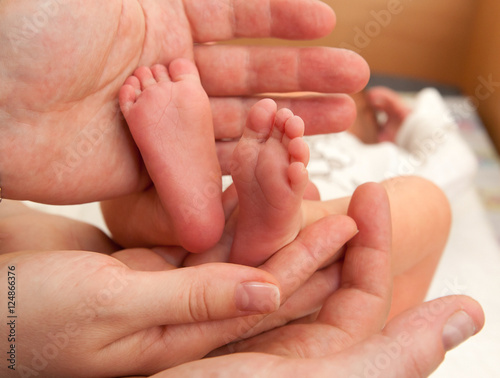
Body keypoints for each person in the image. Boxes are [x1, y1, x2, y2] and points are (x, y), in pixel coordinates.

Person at [0, 0, 369, 253]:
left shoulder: (274, 140)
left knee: (124, 203)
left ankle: (215, 219)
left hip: (193, 227)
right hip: (307, 234)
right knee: (419, 201)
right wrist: (417, 121)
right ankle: (278, 225)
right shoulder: (349, 149)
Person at [0, 186, 484, 377]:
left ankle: (190, 219)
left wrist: (12, 332)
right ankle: (297, 222)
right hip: (107, 290)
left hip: (77, 298)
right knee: (426, 205)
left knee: (46, 233)